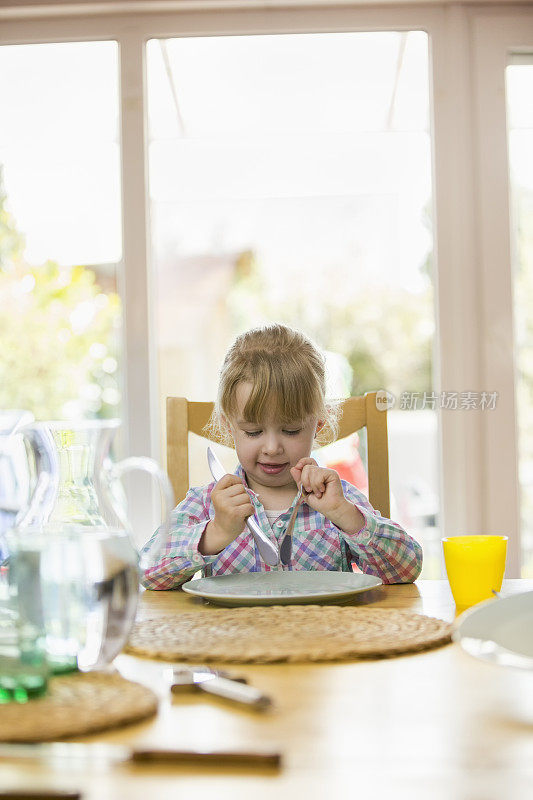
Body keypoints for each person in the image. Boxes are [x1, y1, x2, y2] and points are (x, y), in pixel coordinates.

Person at [140, 323, 422, 589]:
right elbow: (147, 571)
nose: (272, 448)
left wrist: (347, 516)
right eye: (253, 432)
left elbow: (406, 569)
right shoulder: (209, 503)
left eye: (291, 430)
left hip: (327, 637)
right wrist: (214, 533)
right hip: (233, 639)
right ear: (229, 427)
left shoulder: (338, 500)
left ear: (318, 426)